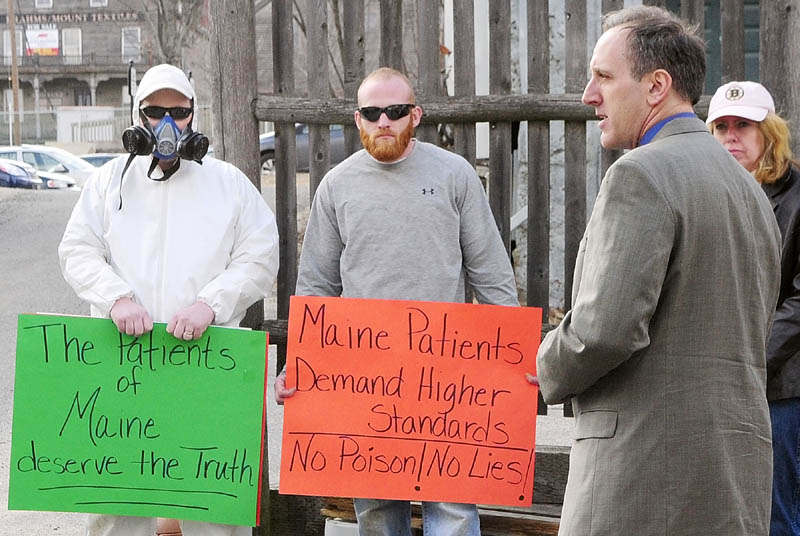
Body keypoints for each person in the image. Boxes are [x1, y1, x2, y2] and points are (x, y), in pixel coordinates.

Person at [529, 7, 781, 535]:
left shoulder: (640, 175)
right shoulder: (749, 191)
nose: (587, 95)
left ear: (656, 86)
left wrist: (544, 364)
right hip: (734, 484)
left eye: (602, 76)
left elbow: (604, 331)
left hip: (642, 481)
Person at [274, 67, 519, 536]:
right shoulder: (336, 186)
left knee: (452, 509)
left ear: (416, 115)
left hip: (447, 376)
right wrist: (298, 362)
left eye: (395, 111)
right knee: (378, 513)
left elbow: (491, 275)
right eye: (372, 112)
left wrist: (512, 355)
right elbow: (317, 288)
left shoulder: (454, 175)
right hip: (367, 379)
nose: (384, 120)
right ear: (358, 119)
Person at [58, 64, 280, 536]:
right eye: (155, 110)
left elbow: (261, 257)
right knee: (119, 509)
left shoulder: (228, 184)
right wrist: (115, 297)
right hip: (122, 372)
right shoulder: (107, 183)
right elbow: (76, 250)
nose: (167, 123)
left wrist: (211, 304)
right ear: (138, 115)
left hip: (206, 367)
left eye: (178, 112)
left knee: (213, 511)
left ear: (194, 117)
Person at [708, 80, 800, 536]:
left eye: (743, 125)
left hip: (780, 385)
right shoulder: (709, 192)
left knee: (778, 513)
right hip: (720, 382)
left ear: (769, 132)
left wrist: (752, 358)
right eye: (721, 126)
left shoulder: (798, 196)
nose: (731, 136)